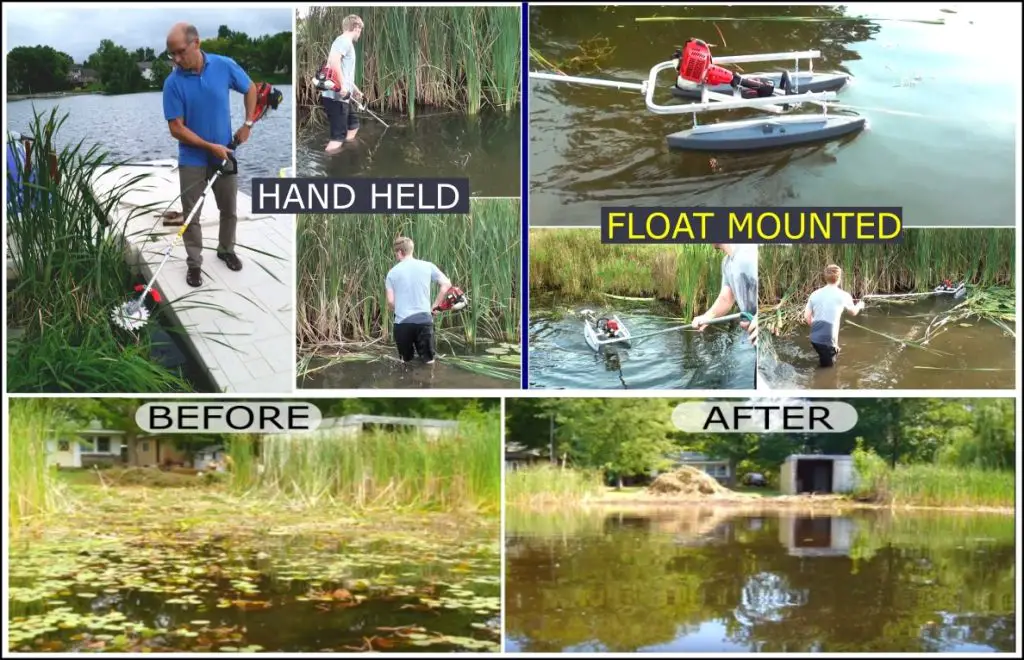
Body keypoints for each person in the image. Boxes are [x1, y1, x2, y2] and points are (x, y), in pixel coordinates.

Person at [163, 22, 257, 288]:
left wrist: (247, 124)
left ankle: (226, 250)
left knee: (229, 209)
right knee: (191, 214)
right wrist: (209, 146)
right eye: (172, 54)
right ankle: (194, 265)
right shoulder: (173, 84)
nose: (177, 59)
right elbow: (176, 128)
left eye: (180, 52)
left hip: (224, 152)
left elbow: (250, 88)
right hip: (192, 158)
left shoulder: (223, 65)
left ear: (197, 43)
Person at [385, 237, 452, 364]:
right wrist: (435, 306)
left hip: (402, 323)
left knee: (406, 363)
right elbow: (446, 285)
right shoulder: (428, 266)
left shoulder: (392, 273)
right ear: (411, 250)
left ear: (399, 252)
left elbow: (390, 302)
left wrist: (398, 308)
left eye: (396, 253)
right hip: (424, 321)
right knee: (429, 363)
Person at [691, 243, 759, 345]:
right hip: (753, 334)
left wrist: (759, 318)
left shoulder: (749, 253)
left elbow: (768, 291)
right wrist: (707, 317)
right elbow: (726, 299)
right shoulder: (726, 263)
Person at [803, 264, 865, 367]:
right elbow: (853, 312)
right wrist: (860, 305)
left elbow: (807, 318)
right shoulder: (844, 295)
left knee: (826, 356)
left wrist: (819, 329)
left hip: (814, 338)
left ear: (825, 277)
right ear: (839, 278)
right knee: (827, 370)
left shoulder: (814, 294)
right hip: (828, 339)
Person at [322, 14, 364, 154]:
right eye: (360, 29)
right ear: (356, 27)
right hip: (336, 97)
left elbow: (344, 71)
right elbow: (334, 63)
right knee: (337, 138)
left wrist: (354, 89)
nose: (360, 33)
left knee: (353, 125)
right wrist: (343, 87)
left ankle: (345, 153)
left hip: (342, 96)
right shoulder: (344, 41)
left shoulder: (346, 43)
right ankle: (330, 162)